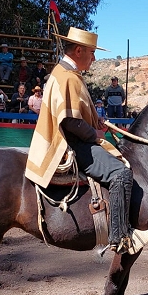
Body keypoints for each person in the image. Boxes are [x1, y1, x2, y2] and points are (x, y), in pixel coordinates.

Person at [24, 27, 133, 253]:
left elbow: (76, 115)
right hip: (69, 143)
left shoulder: (67, 73)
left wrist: (95, 122)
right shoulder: (67, 77)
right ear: (79, 50)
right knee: (121, 173)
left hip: (74, 137)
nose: (94, 58)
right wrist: (95, 134)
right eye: (92, 52)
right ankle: (119, 236)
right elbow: (70, 122)